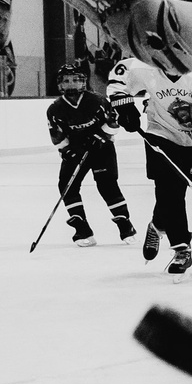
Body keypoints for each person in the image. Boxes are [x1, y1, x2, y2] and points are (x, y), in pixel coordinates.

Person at [130, 59, 192, 275]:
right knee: (168, 189)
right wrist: (121, 104)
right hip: (161, 134)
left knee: (184, 185)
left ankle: (158, 224)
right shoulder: (146, 67)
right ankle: (181, 247)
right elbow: (121, 78)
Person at [47, 62, 135, 246]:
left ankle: (125, 225)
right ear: (60, 84)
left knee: (107, 185)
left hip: (102, 149)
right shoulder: (55, 109)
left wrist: (101, 136)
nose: (71, 84)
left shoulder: (97, 100)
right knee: (66, 186)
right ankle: (82, 230)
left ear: (83, 82)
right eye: (66, 81)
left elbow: (114, 121)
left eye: (75, 80)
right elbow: (56, 134)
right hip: (76, 151)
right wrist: (67, 150)